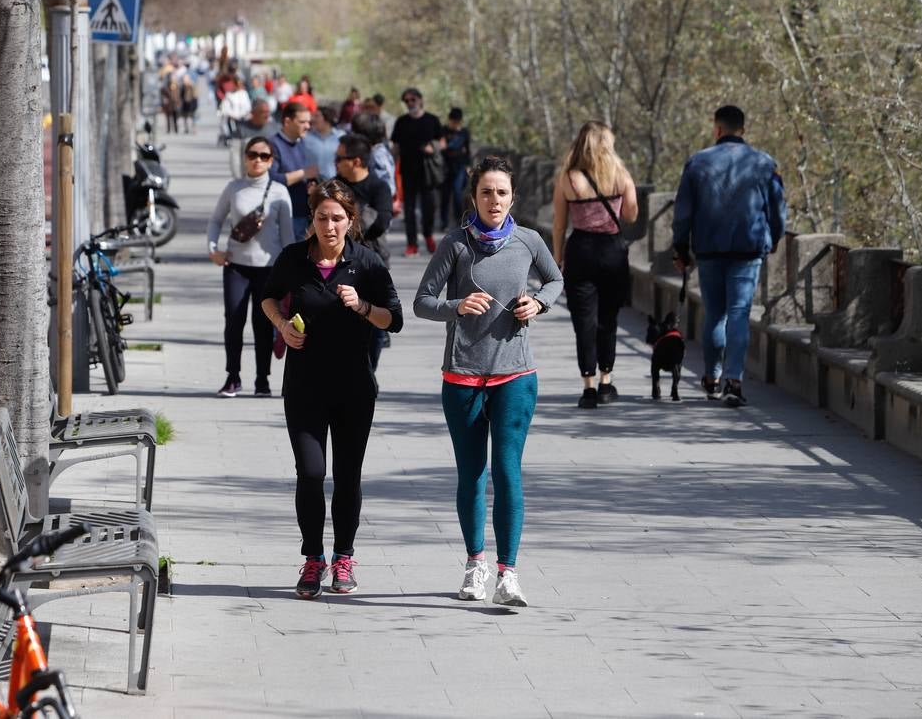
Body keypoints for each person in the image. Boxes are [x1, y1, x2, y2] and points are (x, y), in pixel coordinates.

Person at [414, 155, 564, 607]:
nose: (494, 199)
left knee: (507, 470)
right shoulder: (456, 245)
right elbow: (422, 301)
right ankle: (475, 564)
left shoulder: (529, 240)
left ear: (512, 196)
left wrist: (538, 304)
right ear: (473, 197)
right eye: (486, 192)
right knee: (471, 474)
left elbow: (556, 280)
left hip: (515, 374)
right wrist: (456, 305)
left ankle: (508, 573)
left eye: (501, 192)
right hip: (462, 374)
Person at [261, 179, 404, 598]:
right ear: (313, 220)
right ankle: (312, 559)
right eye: (322, 218)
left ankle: (344, 556)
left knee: (347, 476)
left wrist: (362, 306)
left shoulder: (369, 264)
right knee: (310, 474)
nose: (329, 226)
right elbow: (269, 298)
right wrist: (283, 326)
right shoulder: (294, 259)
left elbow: (393, 319)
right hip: (304, 386)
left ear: (350, 221)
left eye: (337, 218)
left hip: (354, 387)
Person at [672, 105, 787, 408]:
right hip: (748, 249)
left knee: (715, 314)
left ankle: (711, 376)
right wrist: (774, 238)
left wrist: (680, 248)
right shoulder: (765, 163)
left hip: (709, 249)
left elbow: (682, 212)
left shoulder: (697, 163)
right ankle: (733, 381)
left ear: (717, 129)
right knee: (739, 313)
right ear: (743, 130)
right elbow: (777, 209)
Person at [551, 121, 640, 409]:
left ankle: (587, 385)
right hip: (612, 250)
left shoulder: (569, 178)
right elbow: (631, 215)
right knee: (608, 318)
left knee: (583, 321)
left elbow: (559, 225)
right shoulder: (620, 175)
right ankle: (606, 381)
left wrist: (557, 258)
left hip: (581, 250)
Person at [208, 136, 294, 397]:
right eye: (253, 154)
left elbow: (288, 237)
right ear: (245, 157)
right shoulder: (234, 188)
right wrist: (213, 249)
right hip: (236, 266)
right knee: (233, 321)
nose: (258, 160)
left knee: (264, 324)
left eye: (264, 156)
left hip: (269, 269)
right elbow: (215, 220)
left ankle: (262, 380)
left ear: (271, 161)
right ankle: (232, 377)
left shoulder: (280, 192)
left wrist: (291, 271)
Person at [334, 133, 394, 370]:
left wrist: (347, 224)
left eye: (339, 158)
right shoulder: (334, 185)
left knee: (375, 323)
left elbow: (382, 223)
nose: (335, 163)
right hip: (338, 261)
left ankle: (369, 371)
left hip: (373, 262)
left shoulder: (379, 187)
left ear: (356, 161)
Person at [391, 87, 444, 255]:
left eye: (412, 100)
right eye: (406, 101)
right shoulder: (401, 122)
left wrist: (433, 147)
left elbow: (442, 142)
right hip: (407, 172)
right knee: (410, 211)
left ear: (420, 100)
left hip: (428, 172)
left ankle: (428, 236)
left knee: (429, 208)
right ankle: (412, 244)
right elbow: (396, 147)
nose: (409, 103)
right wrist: (392, 167)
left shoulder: (432, 120)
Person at [267, 100, 318, 240]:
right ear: (287, 121)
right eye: (302, 122)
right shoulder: (273, 145)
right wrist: (304, 173)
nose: (307, 126)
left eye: (309, 122)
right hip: (283, 216)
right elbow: (271, 180)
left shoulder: (302, 143)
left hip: (304, 214)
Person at [439, 107, 472, 230]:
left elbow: (467, 151)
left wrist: (468, 166)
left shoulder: (464, 133)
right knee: (445, 196)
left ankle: (459, 220)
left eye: (457, 121)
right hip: (445, 168)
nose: (454, 124)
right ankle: (444, 222)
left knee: (458, 194)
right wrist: (451, 147)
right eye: (453, 121)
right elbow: (442, 148)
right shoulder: (443, 130)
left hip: (460, 167)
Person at [301, 107, 343, 183]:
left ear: (327, 118)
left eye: (317, 116)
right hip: (311, 183)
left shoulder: (341, 136)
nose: (312, 119)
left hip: (334, 182)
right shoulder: (305, 137)